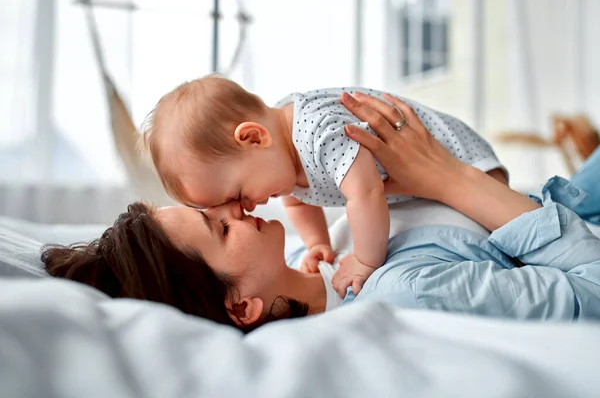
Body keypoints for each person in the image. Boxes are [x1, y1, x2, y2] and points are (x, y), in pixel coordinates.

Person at [42, 93, 600, 333]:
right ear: (241, 307)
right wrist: (449, 180)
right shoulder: (397, 288)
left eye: (215, 205)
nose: (235, 208)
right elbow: (591, 292)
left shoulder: (323, 249)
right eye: (219, 225)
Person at [141, 75, 507, 294]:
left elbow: (365, 192)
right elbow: (300, 201)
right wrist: (318, 242)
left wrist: (365, 260)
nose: (245, 208)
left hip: (468, 166)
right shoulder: (281, 159)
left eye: (237, 194)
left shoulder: (318, 133)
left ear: (253, 137)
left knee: (491, 234)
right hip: (424, 186)